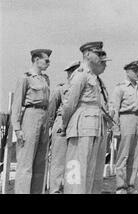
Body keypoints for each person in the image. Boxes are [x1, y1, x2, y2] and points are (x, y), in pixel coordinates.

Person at [62, 41, 111, 194]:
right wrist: (64, 126)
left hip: (95, 127)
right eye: (98, 54)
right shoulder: (80, 75)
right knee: (77, 172)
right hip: (81, 126)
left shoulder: (95, 78)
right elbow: (69, 104)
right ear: (87, 54)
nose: (101, 57)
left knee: (92, 173)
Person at [11, 49, 52, 194]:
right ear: (36, 60)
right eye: (46, 60)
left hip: (44, 117)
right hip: (30, 115)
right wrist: (17, 128)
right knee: (25, 163)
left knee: (40, 163)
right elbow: (17, 104)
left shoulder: (45, 79)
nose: (49, 63)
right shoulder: (25, 78)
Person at [112, 60, 138, 194]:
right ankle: (121, 186)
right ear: (127, 72)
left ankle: (131, 185)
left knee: (136, 156)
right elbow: (114, 110)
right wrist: (115, 128)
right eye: (135, 71)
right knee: (123, 155)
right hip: (125, 119)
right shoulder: (120, 88)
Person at [47, 60, 80, 194]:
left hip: (78, 124)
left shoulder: (84, 89)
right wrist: (51, 129)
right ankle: (55, 190)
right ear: (70, 73)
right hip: (61, 124)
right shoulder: (61, 89)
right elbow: (51, 110)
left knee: (75, 161)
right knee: (58, 161)